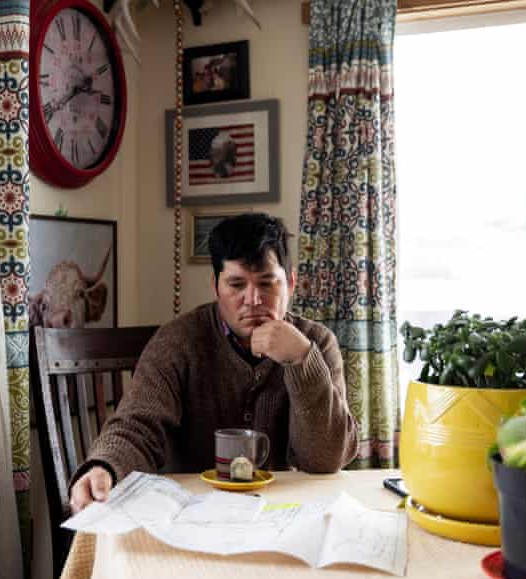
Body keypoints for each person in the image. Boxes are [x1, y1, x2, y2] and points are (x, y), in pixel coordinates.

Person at [69, 213, 359, 512]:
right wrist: (105, 466)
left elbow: (326, 459)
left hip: (280, 515)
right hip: (189, 514)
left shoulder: (317, 343)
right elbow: (138, 423)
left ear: (291, 283)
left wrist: (301, 360)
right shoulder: (178, 341)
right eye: (236, 284)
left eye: (267, 284)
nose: (253, 299)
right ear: (215, 286)